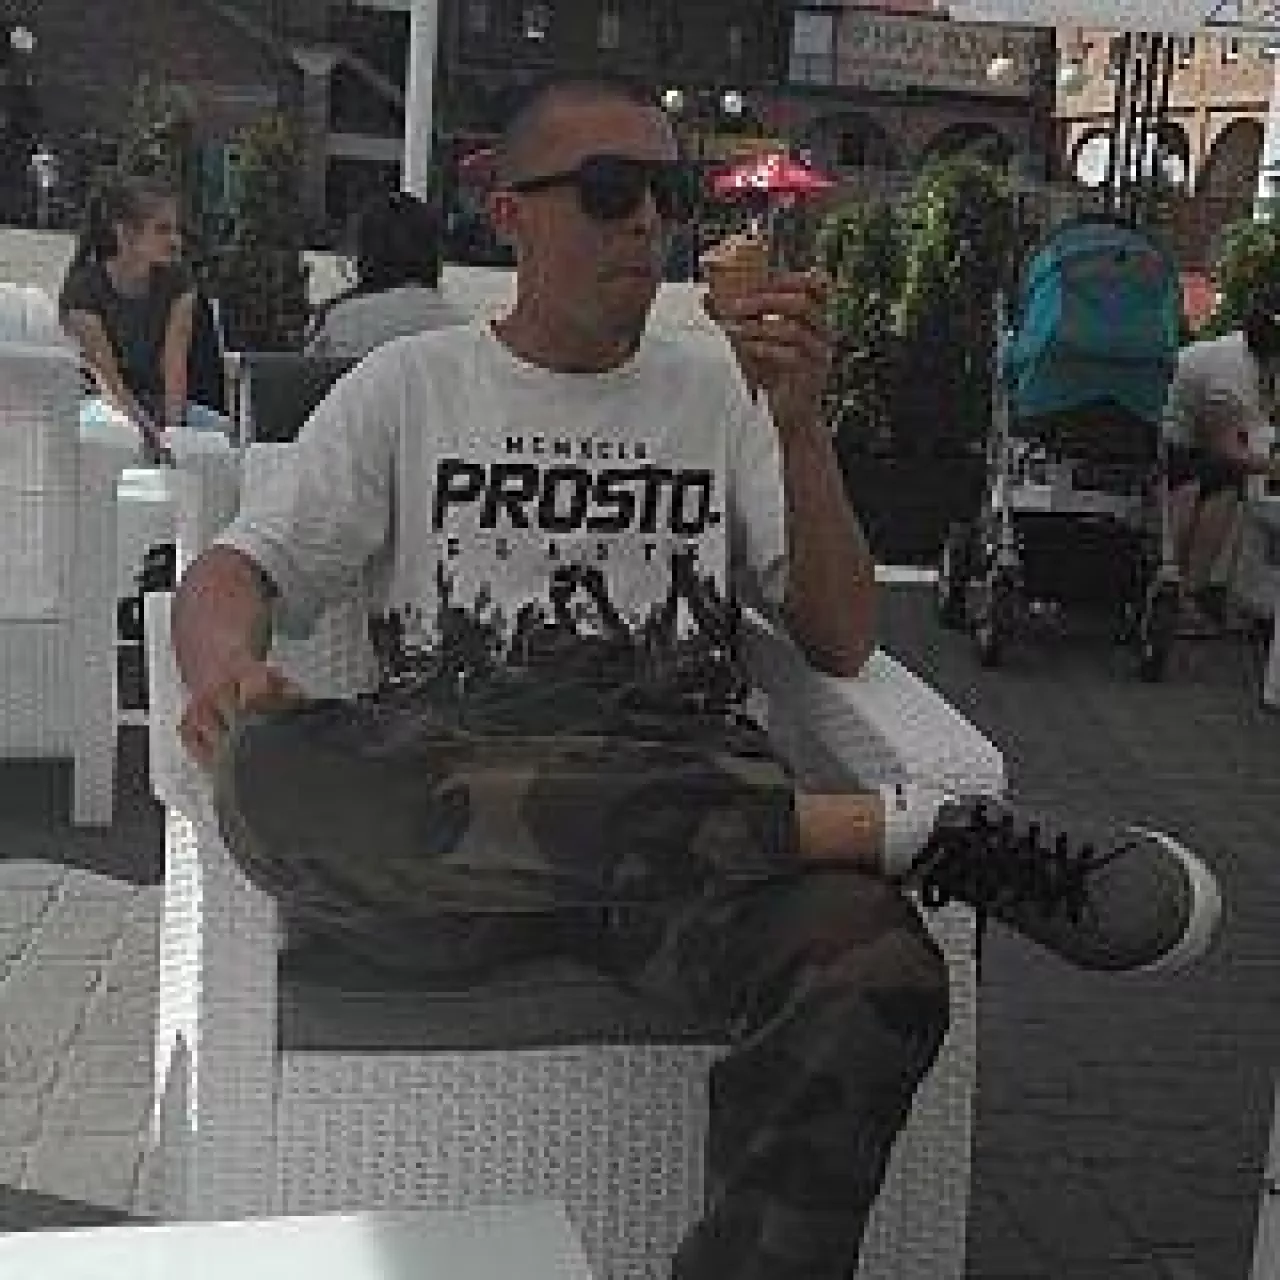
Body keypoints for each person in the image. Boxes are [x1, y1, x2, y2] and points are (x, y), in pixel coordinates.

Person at [172, 77, 1222, 1279]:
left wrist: (802, 426)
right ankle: (905, 832)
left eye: (665, 194)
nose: (643, 222)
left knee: (875, 963)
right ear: (508, 215)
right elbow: (234, 570)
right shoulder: (410, 386)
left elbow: (837, 637)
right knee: (273, 771)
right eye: (606, 190)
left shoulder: (718, 394)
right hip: (469, 845)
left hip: (689, 853)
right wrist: (228, 670)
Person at [58, 172, 228, 461]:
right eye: (162, 230)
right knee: (116, 436)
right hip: (98, 402)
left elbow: (174, 366)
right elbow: (108, 381)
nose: (175, 240)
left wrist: (174, 435)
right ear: (125, 234)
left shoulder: (179, 283)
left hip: (154, 402)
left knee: (220, 434)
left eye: (176, 230)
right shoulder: (83, 291)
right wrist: (151, 436)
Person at [1164, 290, 1280, 628]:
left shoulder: (1250, 357)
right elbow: (1226, 448)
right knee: (1210, 482)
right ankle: (1179, 591)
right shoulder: (1233, 375)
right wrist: (1273, 466)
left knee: (1226, 484)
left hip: (1197, 439)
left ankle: (1191, 592)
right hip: (1169, 437)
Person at [305, 190, 468, 359]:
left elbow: (310, 370)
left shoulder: (342, 323)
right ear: (434, 254)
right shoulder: (459, 326)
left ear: (365, 252)